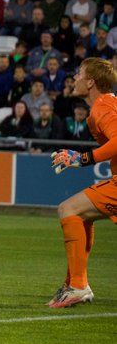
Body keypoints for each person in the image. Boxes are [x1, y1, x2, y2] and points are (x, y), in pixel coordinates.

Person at [48, 58, 117, 308]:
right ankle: (74, 284)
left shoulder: (102, 107)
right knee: (80, 215)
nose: (74, 78)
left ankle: (77, 286)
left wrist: (81, 159)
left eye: (79, 74)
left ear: (90, 82)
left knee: (68, 209)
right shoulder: (107, 106)